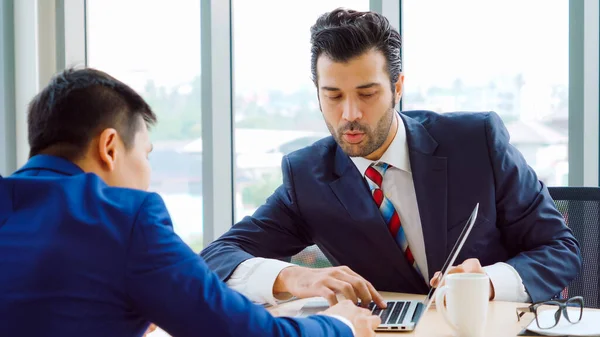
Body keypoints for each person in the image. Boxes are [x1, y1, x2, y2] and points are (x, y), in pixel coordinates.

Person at [200, 7, 582, 307]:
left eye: (367, 93)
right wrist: (296, 277)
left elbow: (560, 250)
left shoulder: (475, 141)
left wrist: (491, 283)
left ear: (397, 87)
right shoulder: (307, 176)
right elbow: (215, 258)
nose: (349, 113)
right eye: (333, 95)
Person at [0, 68, 381, 337]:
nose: (146, 173)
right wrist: (343, 324)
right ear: (110, 148)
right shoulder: (125, 219)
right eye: (145, 155)